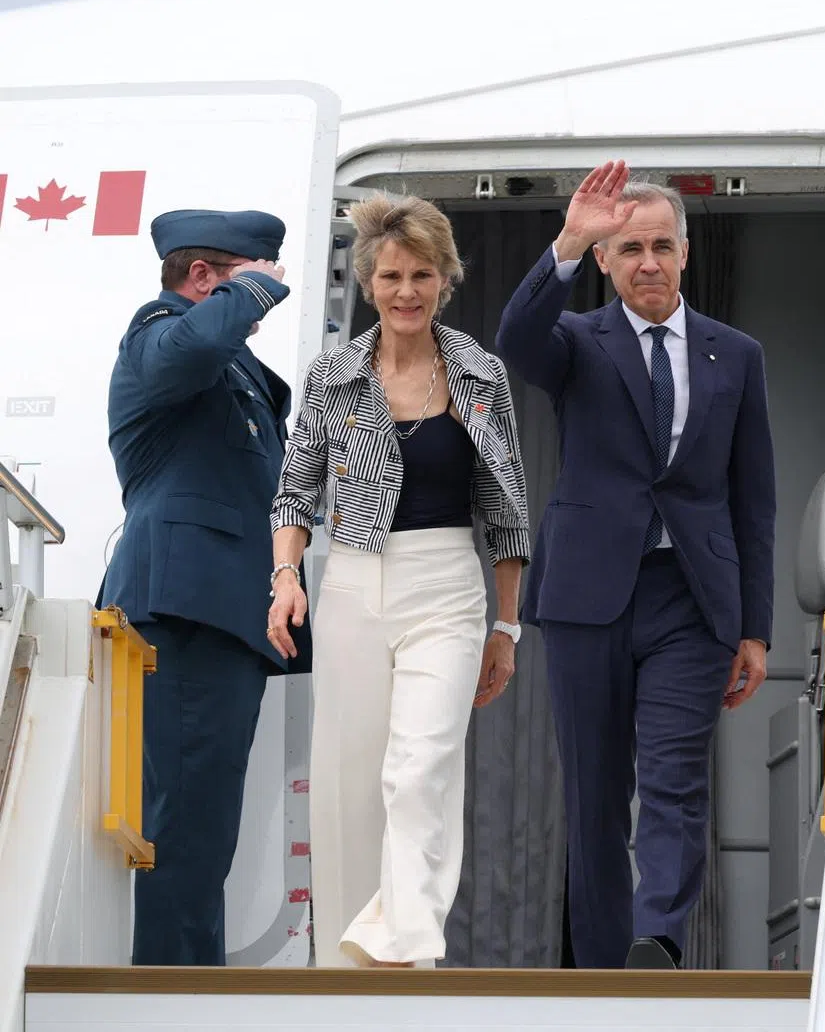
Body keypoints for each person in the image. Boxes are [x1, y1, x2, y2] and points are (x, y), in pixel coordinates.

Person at [496, 161, 776, 970]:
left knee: (676, 777)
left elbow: (752, 499)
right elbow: (515, 340)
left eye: (660, 246)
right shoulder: (578, 343)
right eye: (628, 250)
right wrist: (567, 244)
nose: (647, 262)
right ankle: (598, 964)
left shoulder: (737, 355)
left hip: (691, 599)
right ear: (609, 264)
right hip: (588, 596)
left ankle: (656, 939)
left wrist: (753, 627)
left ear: (685, 255)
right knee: (593, 792)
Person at [267, 191, 530, 968]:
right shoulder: (332, 375)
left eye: (421, 275)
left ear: (445, 280)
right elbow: (295, 489)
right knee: (349, 783)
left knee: (420, 770)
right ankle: (344, 970)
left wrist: (507, 629)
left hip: (447, 585)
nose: (406, 291)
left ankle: (407, 948)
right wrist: (287, 575)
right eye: (390, 276)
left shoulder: (480, 374)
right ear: (369, 281)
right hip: (350, 579)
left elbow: (508, 512)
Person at [98, 208, 313, 966]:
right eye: (256, 281)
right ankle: (172, 1000)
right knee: (186, 826)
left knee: (204, 828)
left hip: (222, 614)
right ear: (203, 279)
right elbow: (186, 350)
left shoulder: (233, 375)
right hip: (183, 610)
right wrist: (249, 294)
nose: (264, 309)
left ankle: (187, 991)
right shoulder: (158, 333)